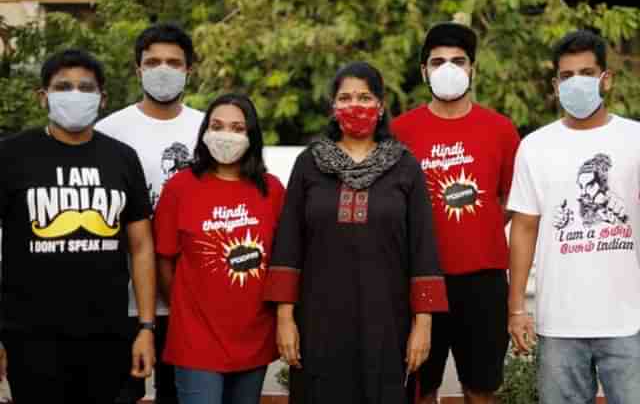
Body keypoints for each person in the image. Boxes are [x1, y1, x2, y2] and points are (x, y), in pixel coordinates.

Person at [263, 61, 448, 404]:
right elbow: (288, 244)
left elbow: (424, 249)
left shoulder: (405, 166)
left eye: (364, 97)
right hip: (318, 324)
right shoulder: (310, 163)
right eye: (345, 98)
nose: (355, 106)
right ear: (333, 107)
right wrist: (285, 319)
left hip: (388, 324)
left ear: (380, 106)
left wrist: (423, 325)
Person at [0, 49, 155, 403]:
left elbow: (142, 246)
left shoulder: (121, 158)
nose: (75, 94)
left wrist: (146, 327)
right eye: (63, 86)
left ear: (102, 99)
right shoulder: (11, 156)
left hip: (108, 337)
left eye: (86, 88)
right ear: (43, 97)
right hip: (31, 339)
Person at [508, 29, 640, 404]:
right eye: (567, 76)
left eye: (586, 73)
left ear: (606, 80)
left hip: (628, 320)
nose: (576, 83)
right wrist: (516, 307)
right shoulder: (535, 147)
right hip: (560, 322)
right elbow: (524, 227)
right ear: (555, 84)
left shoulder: (635, 139)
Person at [392, 22, 520, 404]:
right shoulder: (400, 131)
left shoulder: (501, 129)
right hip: (417, 279)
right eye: (438, 61)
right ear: (424, 71)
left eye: (459, 60)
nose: (448, 68)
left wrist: (476, 232)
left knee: (481, 388)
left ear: (473, 69)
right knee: (418, 386)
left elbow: (514, 198)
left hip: (483, 280)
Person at [96, 23, 204, 404]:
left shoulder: (207, 130)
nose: (163, 69)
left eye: (173, 62)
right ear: (138, 68)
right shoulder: (107, 131)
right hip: (122, 302)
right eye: (153, 61)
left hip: (187, 301)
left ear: (189, 70)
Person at [153, 93, 284, 404]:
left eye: (238, 128)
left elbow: (284, 261)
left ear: (251, 135)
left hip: (254, 337)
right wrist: (190, 307)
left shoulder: (273, 190)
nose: (227, 135)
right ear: (204, 132)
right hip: (195, 339)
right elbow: (163, 260)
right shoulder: (180, 188)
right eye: (217, 125)